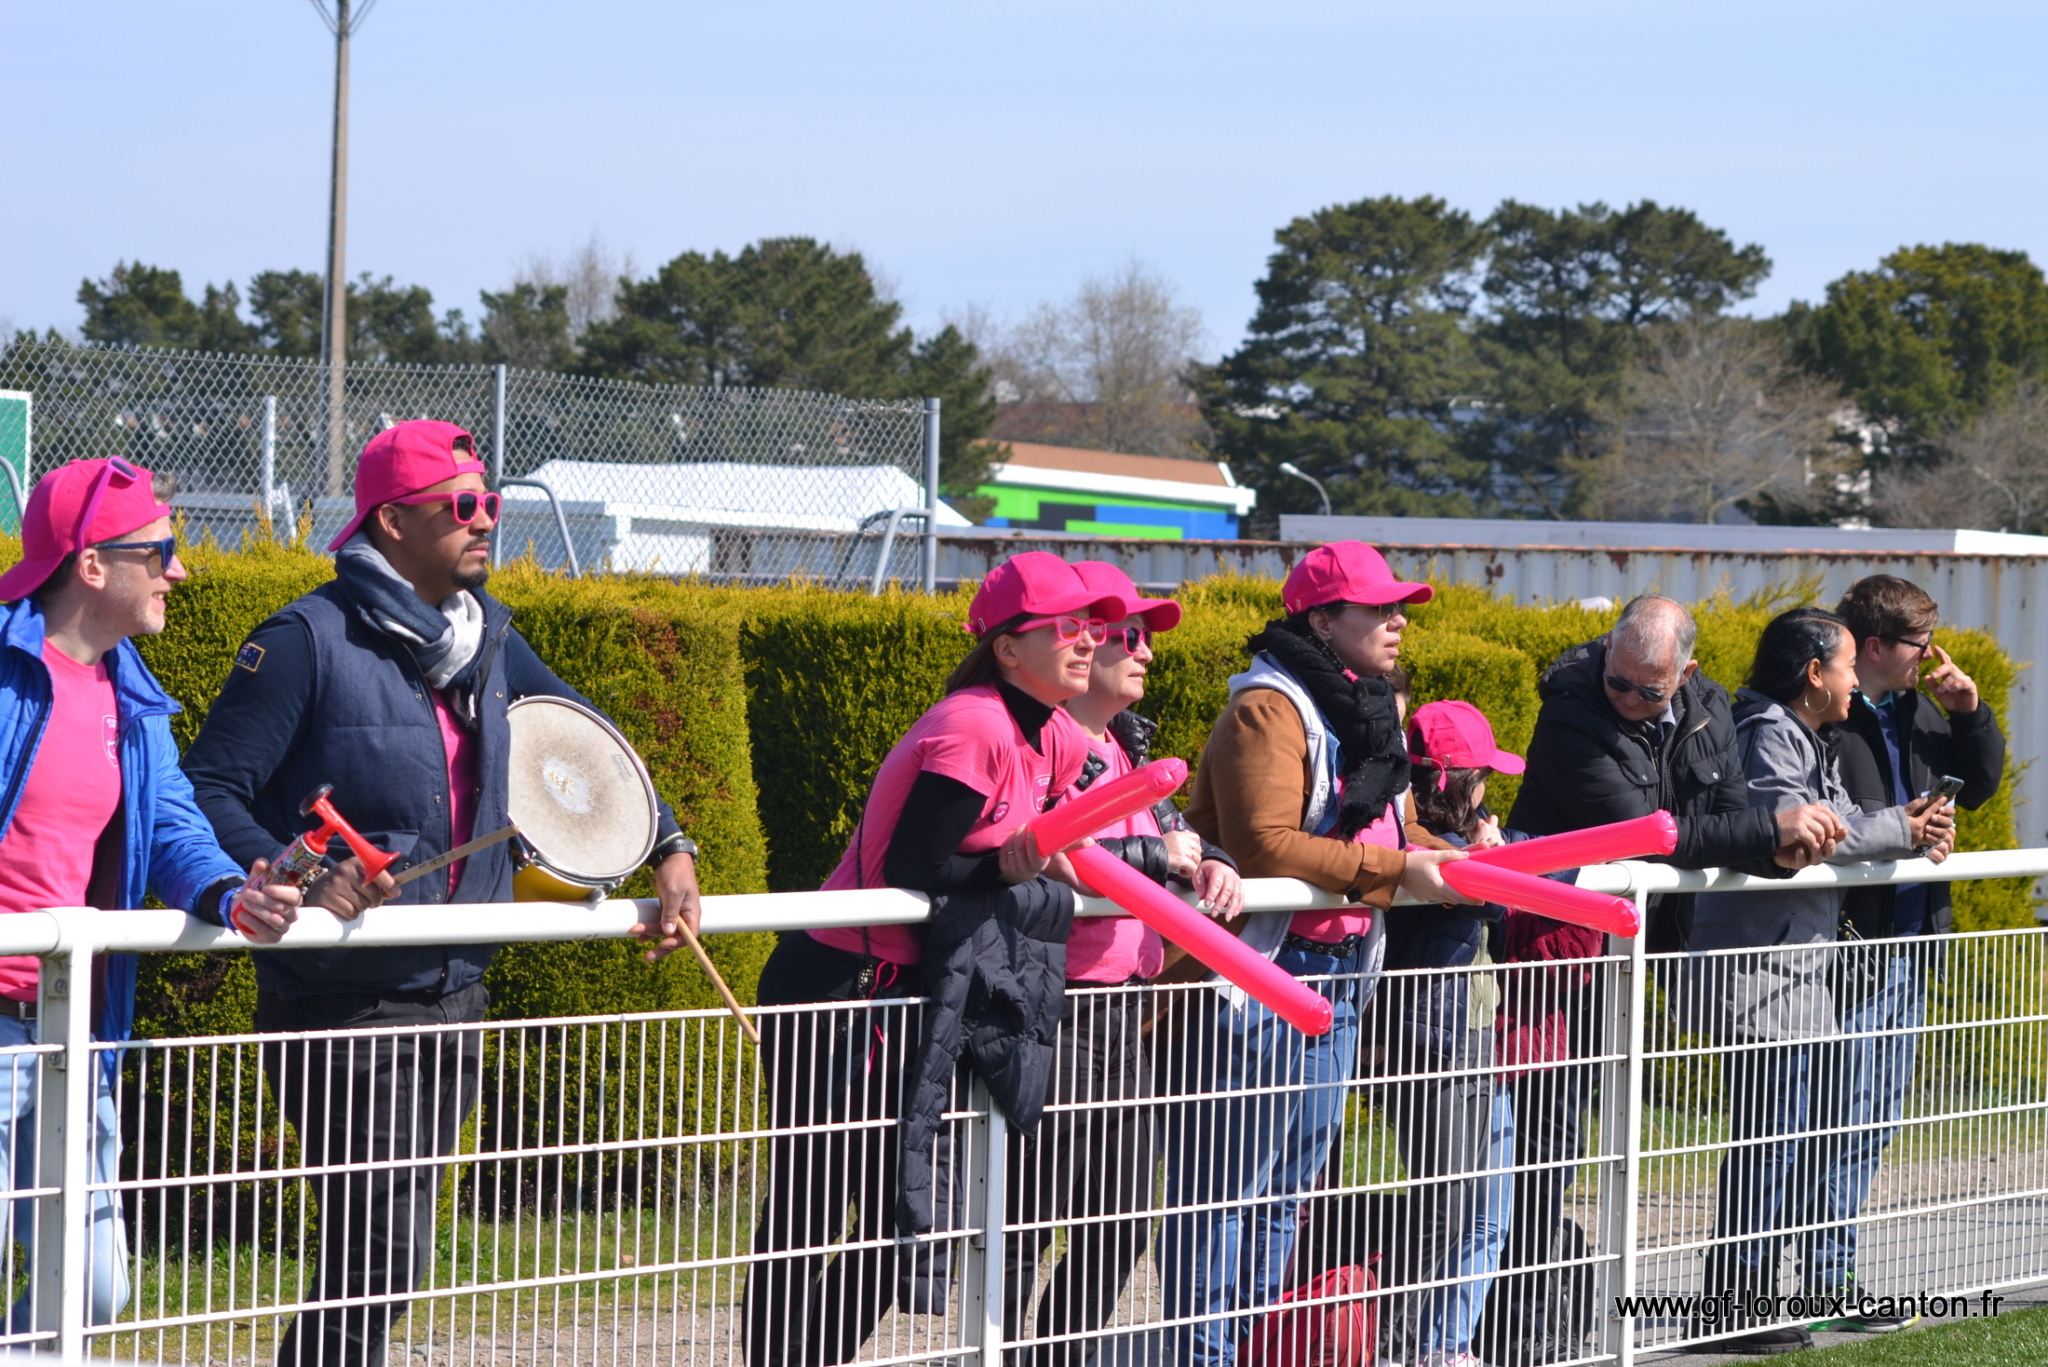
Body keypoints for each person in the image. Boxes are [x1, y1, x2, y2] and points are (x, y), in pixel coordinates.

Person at [181, 421, 703, 1367]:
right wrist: (286, 872)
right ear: (389, 523)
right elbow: (209, 787)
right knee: (386, 1243)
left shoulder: (489, 636)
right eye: (462, 506)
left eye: (490, 502)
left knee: (381, 1252)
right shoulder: (303, 640)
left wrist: (668, 840)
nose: (486, 522)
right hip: (340, 997)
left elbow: (588, 740)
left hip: (459, 986)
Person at [741, 552, 1125, 1367]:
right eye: (1066, 626)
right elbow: (917, 868)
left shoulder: (1055, 733)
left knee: (903, 1217)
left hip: (905, 988)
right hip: (841, 983)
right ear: (1007, 648)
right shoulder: (976, 721)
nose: (1088, 641)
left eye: (1091, 626)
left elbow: (1050, 834)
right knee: (816, 1202)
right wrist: (1011, 865)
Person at [1487, 594, 1846, 1365]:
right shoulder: (1570, 712)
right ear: (1608, 656)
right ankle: (1508, 1324)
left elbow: (1719, 816)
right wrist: (1763, 835)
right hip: (1550, 947)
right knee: (1539, 1136)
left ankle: (1535, 1312)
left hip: (1627, 946)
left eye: (1648, 691)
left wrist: (1759, 839)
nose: (1627, 699)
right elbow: (1644, 837)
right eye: (1620, 680)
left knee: (1568, 1136)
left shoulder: (1707, 704)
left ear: (1685, 674)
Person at [0, 457, 302, 1331]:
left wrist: (227, 891)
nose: (179, 568)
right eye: (160, 550)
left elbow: (172, 824)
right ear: (91, 566)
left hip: (74, 1032)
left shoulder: (130, 693)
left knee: (93, 1288)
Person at [1159, 541, 1470, 1366]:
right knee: (1226, 1193)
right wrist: (1401, 870)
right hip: (1259, 982)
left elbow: (1394, 830)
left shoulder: (1364, 708)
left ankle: (1249, 1348)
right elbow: (1263, 847)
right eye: (1380, 608)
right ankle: (1204, 1353)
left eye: (1400, 607)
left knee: (1287, 1191)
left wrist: (1464, 854)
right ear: (1323, 619)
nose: (1400, 621)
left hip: (1332, 981)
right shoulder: (1269, 707)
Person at [1685, 607, 1953, 1355]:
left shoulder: (1806, 732)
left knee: (1789, 1139)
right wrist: (1900, 826)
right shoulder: (1769, 730)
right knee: (1770, 1143)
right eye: (1843, 669)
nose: (1852, 683)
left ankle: (1754, 1298)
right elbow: (1806, 828)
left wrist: (1902, 820)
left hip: (1794, 969)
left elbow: (1837, 818)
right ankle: (1734, 1306)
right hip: (1763, 971)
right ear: (1814, 672)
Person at [996, 560, 1243, 1367]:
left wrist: (1207, 863)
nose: (1144, 651)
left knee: (1127, 1216)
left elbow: (1166, 848)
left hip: (1122, 1015)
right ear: (1086, 639)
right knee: (1025, 1219)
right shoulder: (1049, 738)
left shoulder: (1127, 746)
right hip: (1057, 1010)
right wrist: (1155, 853)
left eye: (1143, 637)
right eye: (1128, 635)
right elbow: (1052, 847)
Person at [1805, 576, 2004, 1331]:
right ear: (1879, 646)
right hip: (1852, 944)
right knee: (1837, 1117)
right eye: (1921, 646)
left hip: (1913, 944)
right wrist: (1905, 828)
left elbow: (1978, 786)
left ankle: (1830, 1268)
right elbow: (1834, 822)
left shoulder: (1922, 706)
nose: (1933, 656)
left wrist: (1971, 713)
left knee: (1874, 1116)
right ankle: (1823, 1275)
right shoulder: (1832, 713)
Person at [1390, 700, 1526, 1367]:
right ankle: (1401, 1347)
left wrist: (1486, 857)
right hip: (1428, 1037)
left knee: (1490, 1206)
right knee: (1443, 1205)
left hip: (1478, 1029)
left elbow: (1501, 914)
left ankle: (1451, 1345)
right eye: (1480, 776)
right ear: (1446, 779)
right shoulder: (1408, 846)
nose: (1487, 790)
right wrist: (1477, 861)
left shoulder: (1468, 841)